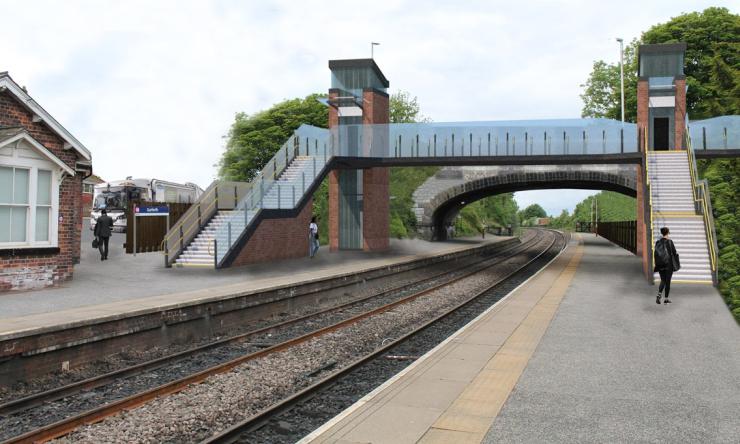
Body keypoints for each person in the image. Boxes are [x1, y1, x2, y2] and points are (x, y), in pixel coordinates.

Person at [654, 226, 679, 305]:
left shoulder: (658, 242)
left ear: (662, 233)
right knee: (667, 282)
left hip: (660, 264)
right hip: (669, 265)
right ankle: (666, 299)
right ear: (668, 232)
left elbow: (656, 253)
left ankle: (659, 295)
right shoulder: (670, 242)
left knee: (663, 280)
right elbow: (674, 253)